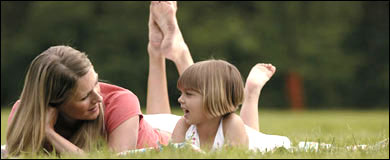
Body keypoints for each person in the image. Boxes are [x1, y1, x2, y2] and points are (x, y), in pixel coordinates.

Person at [146, 1, 291, 152]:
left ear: (214, 97)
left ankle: (251, 93)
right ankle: (161, 48)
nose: (180, 99)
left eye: (188, 94)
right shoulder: (184, 124)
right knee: (154, 123)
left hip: (258, 144)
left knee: (250, 132)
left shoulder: (232, 125)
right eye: (182, 93)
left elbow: (238, 156)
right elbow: (173, 153)